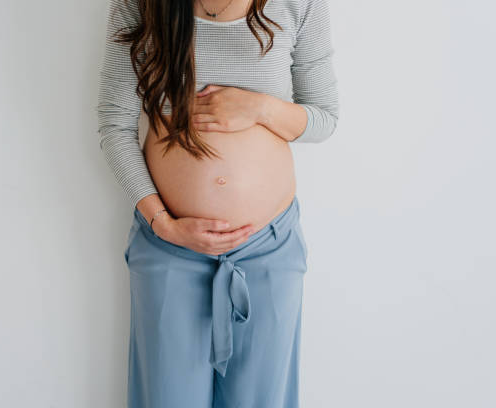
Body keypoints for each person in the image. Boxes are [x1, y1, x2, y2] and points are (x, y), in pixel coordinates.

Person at [97, 0, 339, 406]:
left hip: (269, 249)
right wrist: (163, 223)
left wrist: (259, 107)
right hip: (169, 246)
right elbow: (114, 124)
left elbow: (324, 118)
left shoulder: (299, 3)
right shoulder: (139, 4)